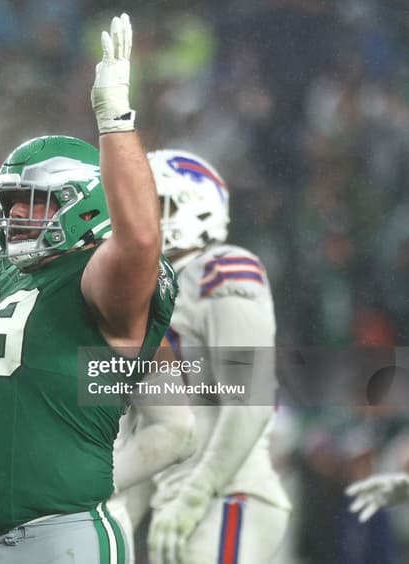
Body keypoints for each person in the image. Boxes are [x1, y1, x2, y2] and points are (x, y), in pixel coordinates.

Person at [0, 13, 183, 564]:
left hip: (55, 538)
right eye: (9, 202)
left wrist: (115, 123)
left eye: (35, 202)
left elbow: (139, 240)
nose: (15, 214)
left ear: (86, 205)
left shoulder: (97, 279)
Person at [118, 149, 291, 564]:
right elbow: (143, 430)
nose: (137, 219)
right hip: (174, 501)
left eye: (153, 205)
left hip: (229, 495)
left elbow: (251, 401)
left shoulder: (222, 268)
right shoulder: (145, 294)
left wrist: (198, 493)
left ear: (194, 208)